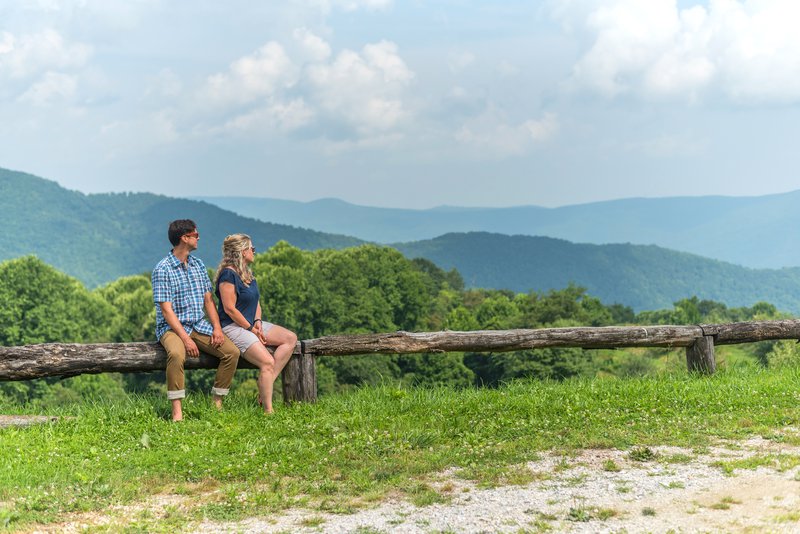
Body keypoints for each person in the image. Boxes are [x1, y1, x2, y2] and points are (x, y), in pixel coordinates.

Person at [152, 219, 240, 421]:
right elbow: (167, 311)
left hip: (198, 324)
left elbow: (208, 300)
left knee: (232, 352)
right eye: (196, 235)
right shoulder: (162, 269)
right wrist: (186, 339)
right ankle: (177, 413)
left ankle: (216, 404)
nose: (199, 238)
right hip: (172, 328)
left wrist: (217, 328)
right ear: (184, 238)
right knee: (175, 354)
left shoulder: (198, 264)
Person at [215, 233, 297, 414]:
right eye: (252, 248)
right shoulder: (228, 275)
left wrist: (258, 322)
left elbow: (256, 302)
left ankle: (266, 381)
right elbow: (230, 309)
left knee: (290, 338)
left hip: (252, 324)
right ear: (242, 251)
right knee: (267, 362)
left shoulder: (247, 274)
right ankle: (268, 411)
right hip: (233, 327)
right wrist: (251, 329)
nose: (254, 252)